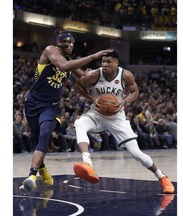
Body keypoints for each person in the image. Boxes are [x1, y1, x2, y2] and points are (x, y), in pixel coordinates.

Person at [18, 29, 113, 195]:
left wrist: (93, 76)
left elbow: (84, 79)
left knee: (44, 134)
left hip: (51, 105)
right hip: (32, 103)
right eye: (67, 42)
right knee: (36, 141)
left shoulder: (70, 61)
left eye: (72, 43)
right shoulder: (50, 50)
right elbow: (65, 66)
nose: (70, 45)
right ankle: (43, 171)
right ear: (59, 43)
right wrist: (93, 56)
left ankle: (31, 177)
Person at [73, 50, 175, 193]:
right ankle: (87, 162)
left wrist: (124, 101)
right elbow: (78, 86)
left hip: (117, 117)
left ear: (116, 63)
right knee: (79, 123)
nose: (105, 64)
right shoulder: (94, 75)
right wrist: (92, 99)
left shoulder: (125, 75)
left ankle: (162, 177)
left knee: (137, 153)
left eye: (108, 62)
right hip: (96, 113)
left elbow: (135, 92)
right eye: (103, 62)